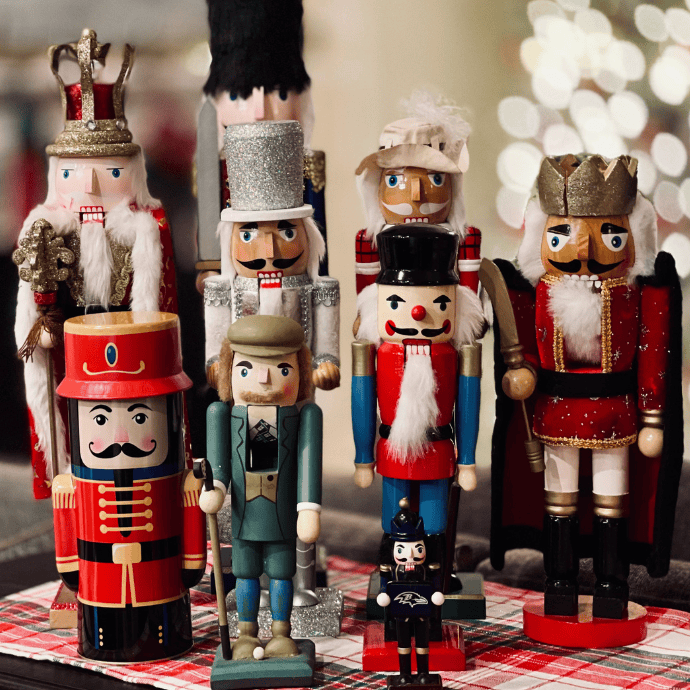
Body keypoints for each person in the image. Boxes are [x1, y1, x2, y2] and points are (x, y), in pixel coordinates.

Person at [491, 153, 683, 620]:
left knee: (610, 503)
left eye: (609, 234)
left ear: (631, 238)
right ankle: (558, 583)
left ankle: (611, 586)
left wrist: (653, 415)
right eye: (561, 234)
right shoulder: (539, 294)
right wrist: (524, 374)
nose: (584, 250)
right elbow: (531, 351)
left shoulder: (638, 295)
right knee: (559, 502)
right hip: (554, 413)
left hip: (617, 415)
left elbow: (652, 355)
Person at [14, 29, 179, 500]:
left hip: (131, 366)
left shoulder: (149, 228)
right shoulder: (45, 229)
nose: (87, 183)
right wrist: (41, 322)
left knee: (130, 459)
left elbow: (160, 305)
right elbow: (37, 303)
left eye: (107, 172)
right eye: (69, 172)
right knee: (76, 457)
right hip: (70, 359)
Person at [52, 312, 205, 662]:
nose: (120, 439)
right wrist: (70, 570)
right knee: (103, 630)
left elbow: (191, 529)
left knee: (164, 628)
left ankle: (167, 639)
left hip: (162, 579)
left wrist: (192, 565)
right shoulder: (73, 487)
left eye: (139, 418)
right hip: (99, 583)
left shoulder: (180, 483)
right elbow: (66, 541)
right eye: (100, 419)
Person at [201, 315, 322, 660]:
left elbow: (307, 462)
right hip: (244, 517)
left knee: (283, 573)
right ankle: (247, 633)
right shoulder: (222, 415)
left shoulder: (305, 417)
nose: (264, 378)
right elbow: (218, 464)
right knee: (245, 574)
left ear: (300, 369)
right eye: (247, 368)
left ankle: (282, 633)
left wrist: (309, 506)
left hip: (283, 514)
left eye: (282, 369)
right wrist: (216, 489)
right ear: (229, 370)